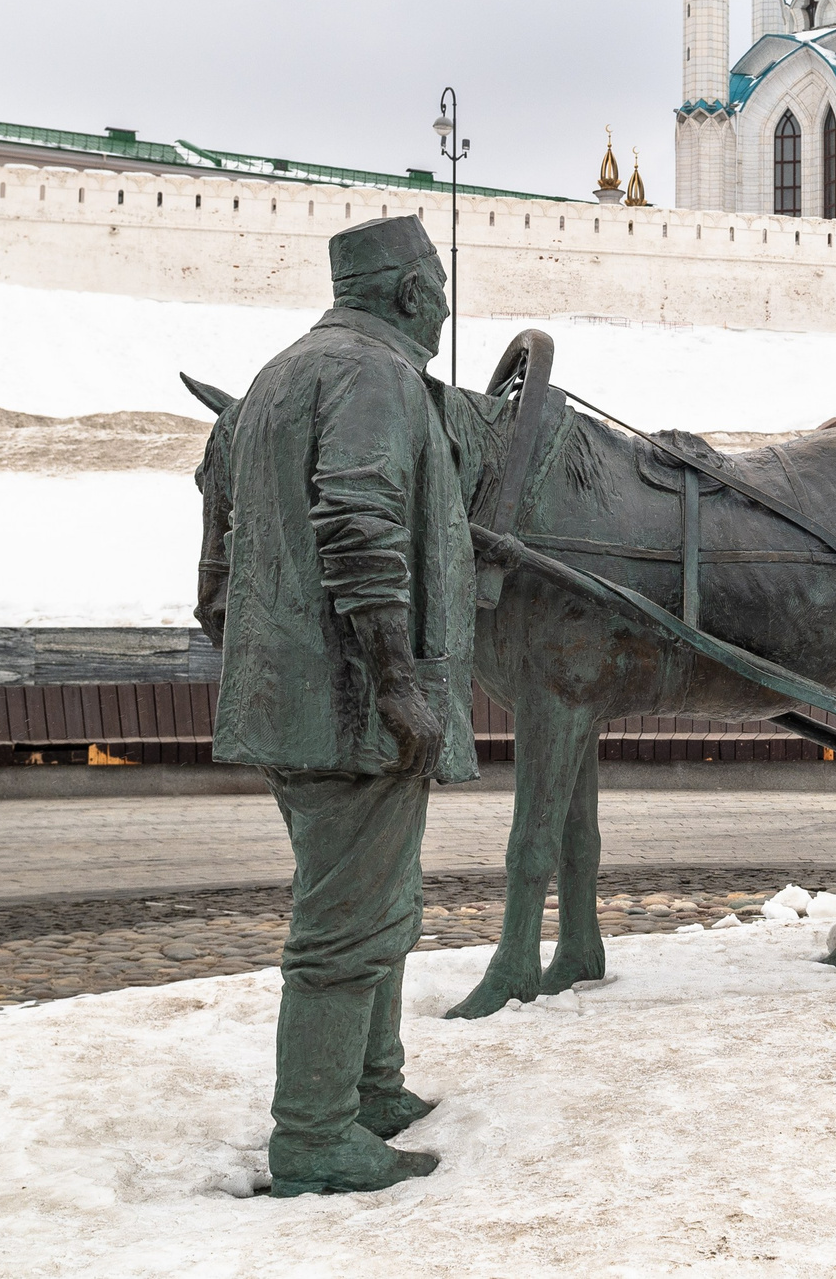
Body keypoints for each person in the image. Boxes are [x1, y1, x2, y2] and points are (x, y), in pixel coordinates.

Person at [207, 214, 504, 1198]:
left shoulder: (279, 376)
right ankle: (315, 1134)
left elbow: (217, 554)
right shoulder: (372, 374)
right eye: (439, 284)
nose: (447, 303)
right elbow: (358, 521)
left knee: (378, 906)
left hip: (297, 696)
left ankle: (372, 1087)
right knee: (343, 928)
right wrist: (397, 681)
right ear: (410, 291)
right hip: (351, 705)